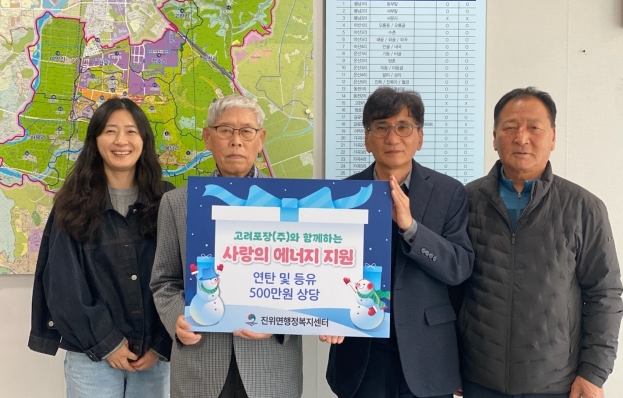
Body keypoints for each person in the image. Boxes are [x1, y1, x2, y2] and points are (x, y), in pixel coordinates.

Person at [459, 87, 623, 398]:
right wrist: (447, 365)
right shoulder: (465, 202)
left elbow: (604, 294)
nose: (522, 138)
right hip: (479, 378)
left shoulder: (584, 207)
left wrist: (594, 373)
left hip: (556, 383)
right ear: (494, 137)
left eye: (534, 127)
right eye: (510, 127)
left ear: (553, 137)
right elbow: (449, 289)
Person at [321, 87, 474, 398]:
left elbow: (458, 268)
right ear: (367, 139)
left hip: (427, 354)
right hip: (361, 354)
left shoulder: (450, 192)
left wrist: (410, 227)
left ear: (419, 137)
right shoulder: (341, 194)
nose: (392, 138)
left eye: (403, 127)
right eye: (381, 127)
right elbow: (324, 267)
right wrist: (327, 313)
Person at [150, 95, 303, 398]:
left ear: (261, 139)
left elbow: (308, 283)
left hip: (270, 369)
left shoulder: (292, 204)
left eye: (246, 131)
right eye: (225, 130)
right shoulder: (177, 203)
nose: (236, 141)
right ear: (208, 138)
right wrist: (179, 318)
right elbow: (164, 281)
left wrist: (279, 323)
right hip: (200, 367)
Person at [29, 97, 173, 398]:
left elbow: (180, 277)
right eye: (110, 131)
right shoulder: (72, 203)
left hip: (154, 358)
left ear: (144, 140)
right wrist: (107, 343)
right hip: (91, 356)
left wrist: (161, 344)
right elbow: (63, 285)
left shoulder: (168, 200)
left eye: (131, 131)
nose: (121, 141)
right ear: (95, 140)